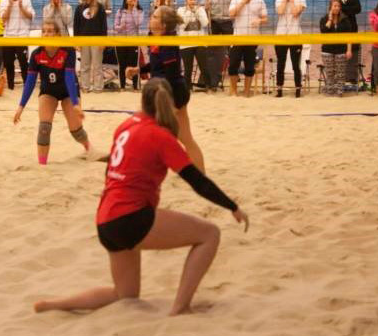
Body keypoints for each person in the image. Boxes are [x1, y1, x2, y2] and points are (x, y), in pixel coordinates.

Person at [32, 78, 249, 316]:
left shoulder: (126, 125)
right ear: (170, 104)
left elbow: (109, 172)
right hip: (131, 217)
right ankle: (180, 307)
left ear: (142, 101)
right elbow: (197, 181)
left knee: (124, 295)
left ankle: (54, 305)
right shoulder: (161, 136)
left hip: (106, 219)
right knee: (210, 234)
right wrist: (233, 206)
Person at [126, 6, 206, 173]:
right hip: (165, 91)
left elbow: (169, 74)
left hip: (173, 93)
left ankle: (200, 176)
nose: (150, 18)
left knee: (159, 135)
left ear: (163, 26)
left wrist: (166, 104)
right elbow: (157, 66)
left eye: (155, 16)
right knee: (179, 138)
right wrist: (138, 70)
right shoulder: (153, 37)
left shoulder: (168, 43)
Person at [13, 20, 90, 164]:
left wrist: (75, 104)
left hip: (68, 90)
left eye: (50, 31)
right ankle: (42, 164)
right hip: (49, 91)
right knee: (44, 127)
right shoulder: (36, 54)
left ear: (58, 35)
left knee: (76, 130)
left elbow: (69, 77)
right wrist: (20, 107)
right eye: (44, 31)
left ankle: (88, 148)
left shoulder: (68, 51)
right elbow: (30, 82)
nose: (46, 34)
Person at [227, 0, 267, 97]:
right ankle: (234, 91)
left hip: (252, 38)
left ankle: (246, 92)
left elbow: (265, 18)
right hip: (237, 38)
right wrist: (243, 2)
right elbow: (232, 15)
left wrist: (259, 20)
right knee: (233, 65)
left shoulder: (259, 1)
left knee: (249, 66)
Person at [202, 0, 235, 91]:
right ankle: (213, 78)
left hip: (227, 22)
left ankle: (232, 74)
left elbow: (235, 9)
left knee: (230, 50)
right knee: (212, 52)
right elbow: (201, 9)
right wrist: (205, 7)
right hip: (214, 22)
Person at [274, 0, 306, 98]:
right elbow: (280, 12)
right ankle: (279, 89)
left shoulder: (301, 0)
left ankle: (298, 89)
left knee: (295, 65)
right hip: (280, 36)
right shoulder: (278, 0)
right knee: (280, 64)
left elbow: (295, 13)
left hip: (295, 36)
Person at [0, 0, 35, 89]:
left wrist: (21, 7)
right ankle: (11, 86)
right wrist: (10, 5)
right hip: (8, 37)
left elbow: (30, 16)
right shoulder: (4, 2)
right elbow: (3, 19)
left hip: (22, 37)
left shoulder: (26, 0)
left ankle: (27, 86)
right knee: (9, 64)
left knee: (24, 64)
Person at [75, 0, 108, 92]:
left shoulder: (100, 7)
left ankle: (98, 87)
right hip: (84, 40)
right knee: (85, 65)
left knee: (97, 65)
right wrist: (77, 43)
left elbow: (104, 26)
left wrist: (103, 41)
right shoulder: (79, 8)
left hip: (97, 40)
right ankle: (85, 87)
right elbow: (76, 26)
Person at [319, 0, 354, 96]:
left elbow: (349, 36)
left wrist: (349, 50)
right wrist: (330, 19)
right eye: (335, 6)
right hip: (327, 49)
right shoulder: (324, 19)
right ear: (330, 7)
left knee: (341, 73)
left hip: (341, 50)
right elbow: (324, 32)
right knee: (329, 73)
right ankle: (330, 90)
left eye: (338, 6)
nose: (337, 8)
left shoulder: (345, 19)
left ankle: (339, 91)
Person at [330, 0, 362, 84]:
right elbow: (334, 9)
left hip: (352, 27)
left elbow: (358, 9)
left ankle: (352, 78)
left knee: (353, 51)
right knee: (339, 52)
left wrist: (342, 9)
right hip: (338, 27)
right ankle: (339, 78)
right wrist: (347, 9)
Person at [177, 0, 209, 90]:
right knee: (188, 68)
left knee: (204, 65)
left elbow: (205, 23)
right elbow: (182, 25)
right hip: (186, 43)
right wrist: (191, 12)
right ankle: (188, 87)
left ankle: (208, 86)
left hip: (199, 42)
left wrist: (197, 12)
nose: (192, 1)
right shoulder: (180, 10)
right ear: (186, 1)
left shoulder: (200, 9)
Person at [114, 0, 145, 90]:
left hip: (133, 41)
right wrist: (121, 27)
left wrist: (134, 8)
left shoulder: (139, 11)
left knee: (133, 64)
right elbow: (115, 27)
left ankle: (135, 86)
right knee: (122, 64)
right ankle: (122, 86)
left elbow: (138, 23)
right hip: (121, 41)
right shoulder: (120, 11)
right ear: (126, 0)